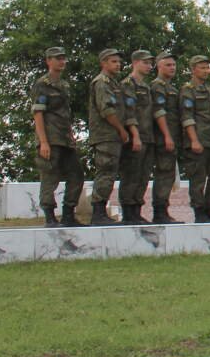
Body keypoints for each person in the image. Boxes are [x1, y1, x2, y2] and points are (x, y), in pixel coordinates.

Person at [31, 46, 82, 227]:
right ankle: (50, 217)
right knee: (49, 177)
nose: (62, 61)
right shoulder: (42, 84)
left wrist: (70, 134)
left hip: (65, 138)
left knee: (76, 174)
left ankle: (68, 214)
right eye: (57, 58)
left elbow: (65, 114)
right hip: (50, 138)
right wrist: (43, 142)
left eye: (63, 58)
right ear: (48, 61)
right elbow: (38, 114)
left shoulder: (64, 85)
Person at [84, 48, 130, 226]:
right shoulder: (102, 82)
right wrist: (121, 129)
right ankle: (98, 213)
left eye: (118, 62)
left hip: (112, 136)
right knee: (106, 172)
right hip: (106, 135)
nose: (118, 65)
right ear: (103, 63)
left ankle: (101, 212)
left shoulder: (113, 82)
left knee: (110, 173)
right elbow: (107, 110)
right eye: (113, 61)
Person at [180, 55, 210, 222]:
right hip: (197, 140)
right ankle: (199, 211)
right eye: (202, 68)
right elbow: (187, 117)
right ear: (193, 69)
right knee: (198, 176)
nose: (206, 71)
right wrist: (194, 140)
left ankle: (209, 208)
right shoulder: (188, 90)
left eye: (208, 67)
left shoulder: (209, 90)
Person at [116, 50, 156, 226]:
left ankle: (137, 210)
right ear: (135, 63)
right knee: (131, 175)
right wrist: (135, 135)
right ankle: (128, 211)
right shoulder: (127, 84)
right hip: (135, 137)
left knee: (143, 175)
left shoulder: (145, 86)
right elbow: (129, 113)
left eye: (150, 63)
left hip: (148, 136)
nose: (149, 66)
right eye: (145, 63)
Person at [149, 52, 182, 224]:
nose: (172, 68)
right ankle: (159, 212)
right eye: (168, 65)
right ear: (159, 66)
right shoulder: (157, 86)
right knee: (163, 173)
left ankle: (163, 210)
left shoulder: (172, 89)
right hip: (163, 138)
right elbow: (159, 112)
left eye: (173, 65)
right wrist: (167, 136)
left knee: (168, 174)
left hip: (173, 137)